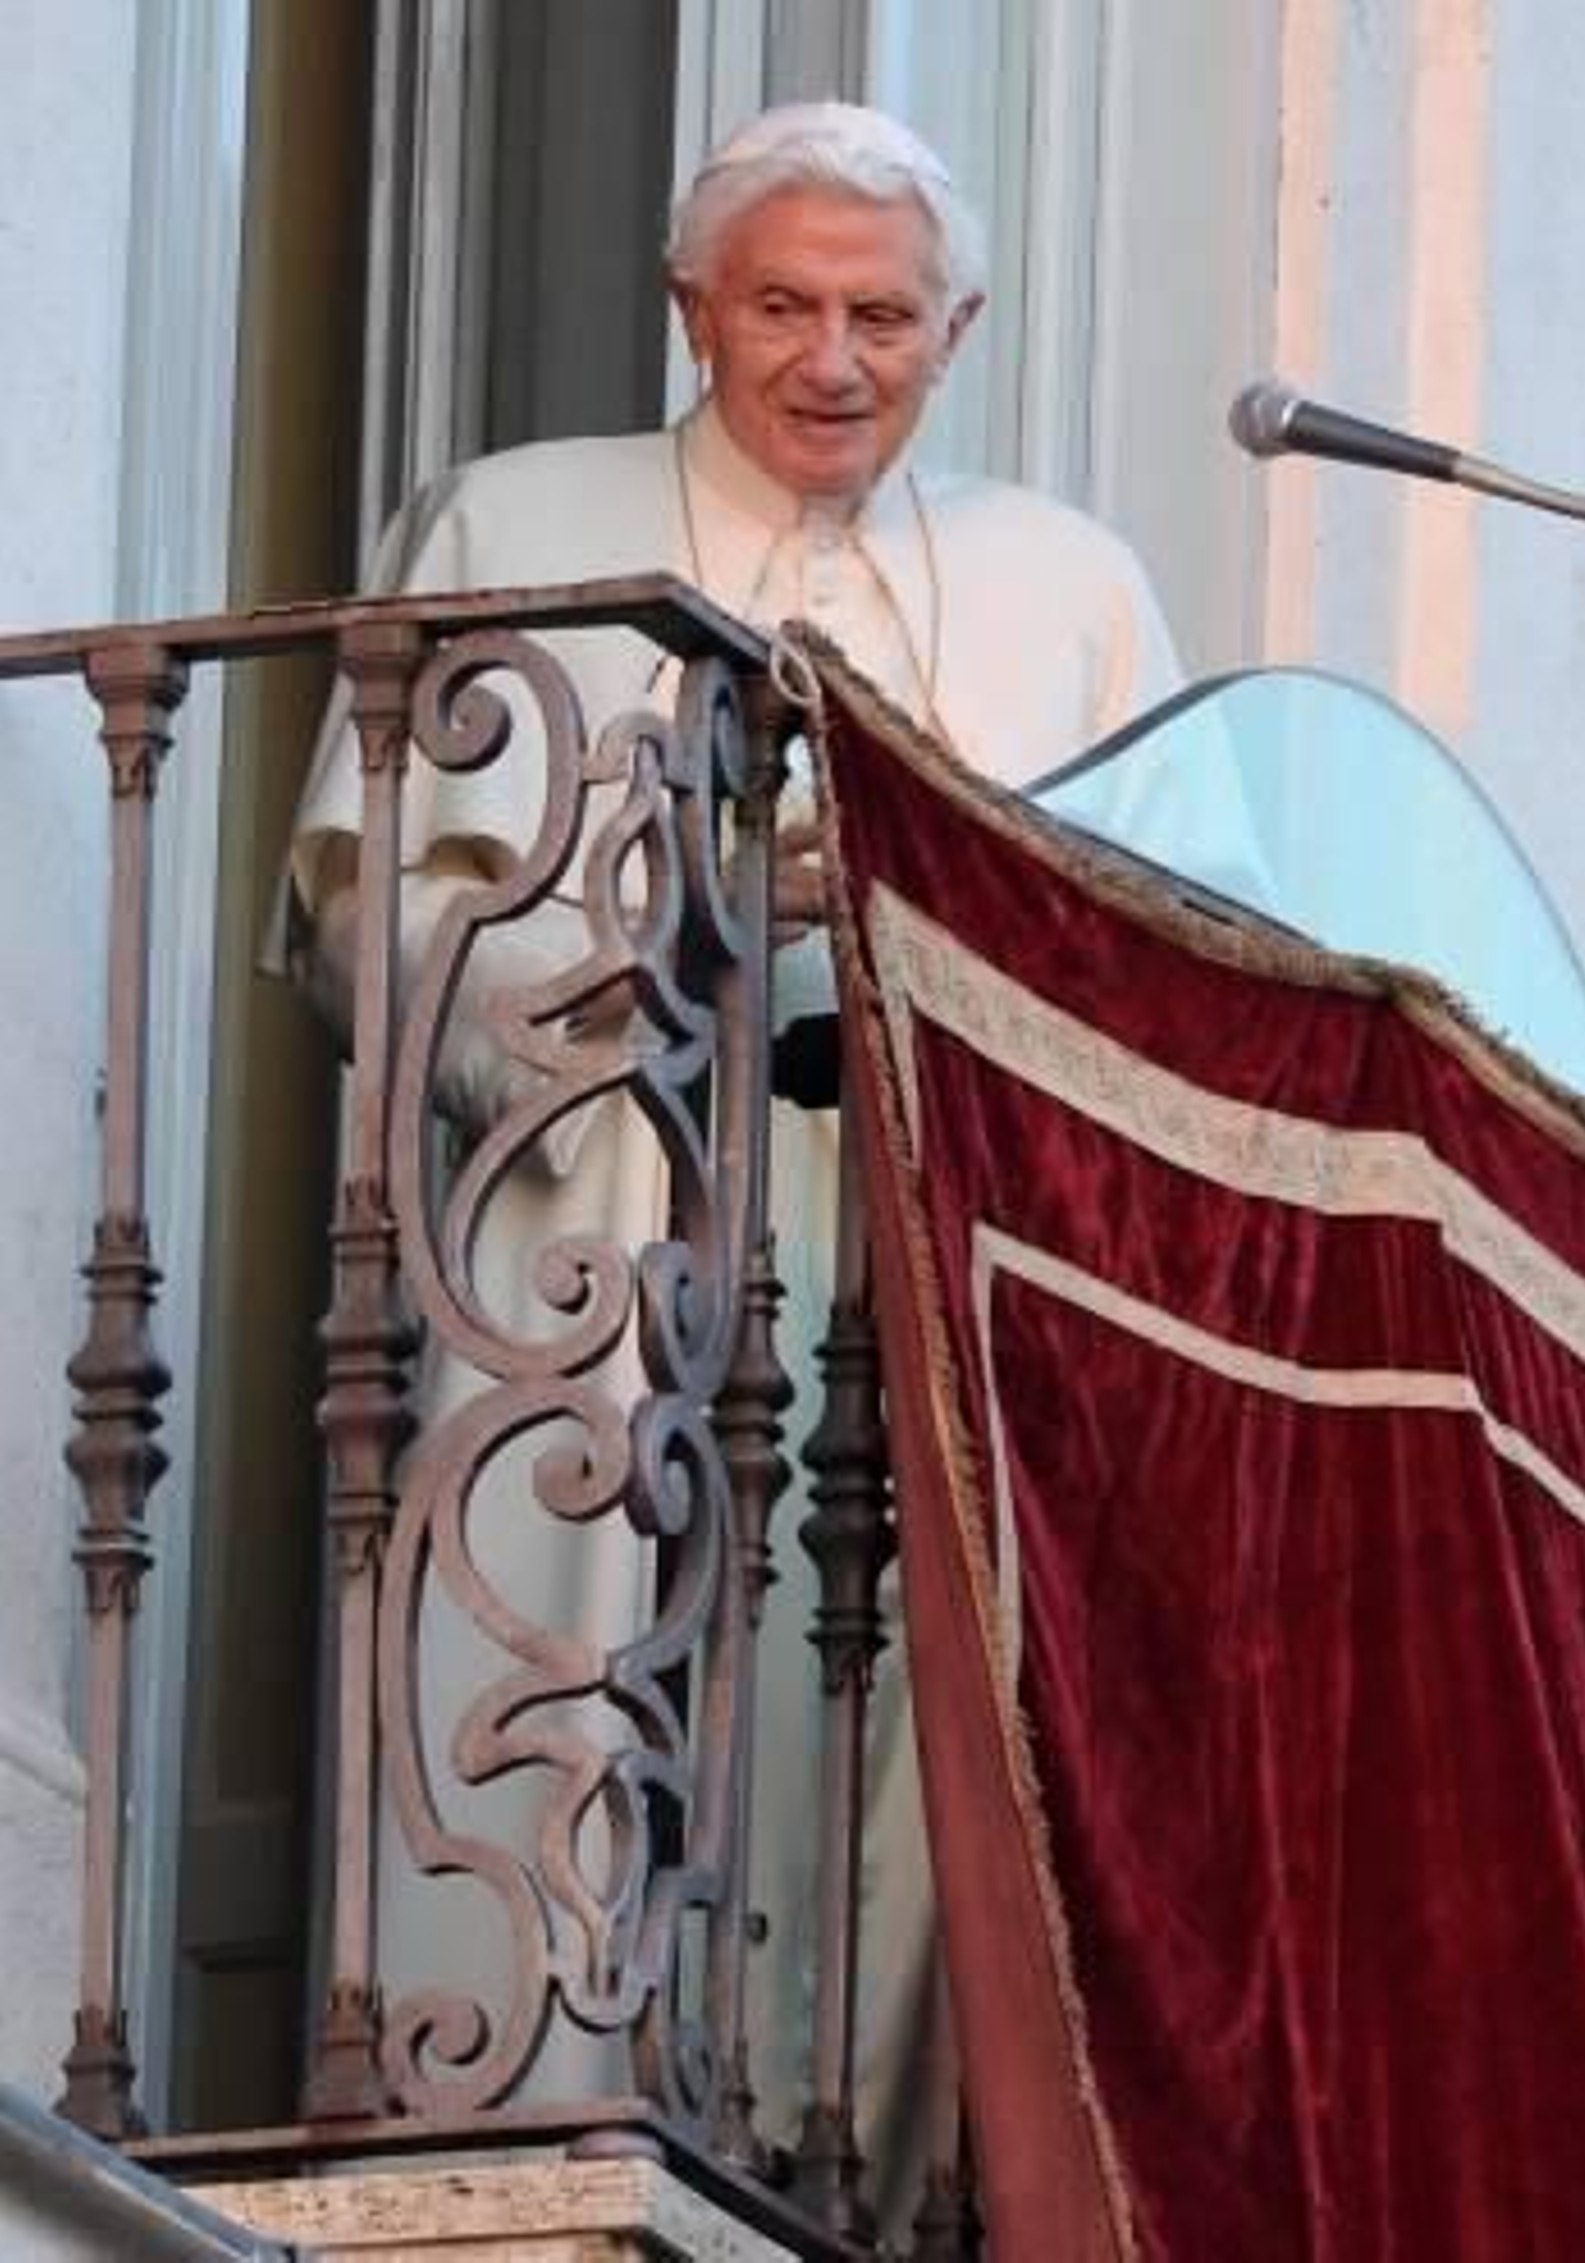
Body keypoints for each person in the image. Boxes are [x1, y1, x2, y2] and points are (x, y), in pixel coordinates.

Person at [280, 99, 1184, 2231]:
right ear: (693, 307)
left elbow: (1154, 933)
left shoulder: (1066, 585)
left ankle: (833, 2170)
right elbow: (363, 902)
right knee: (559, 1669)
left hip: (912, 1246)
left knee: (876, 1721)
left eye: (881, 314)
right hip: (597, 1216)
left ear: (952, 334)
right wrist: (654, 931)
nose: (831, 357)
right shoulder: (520, 514)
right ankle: (507, 2141)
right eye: (781, 304)